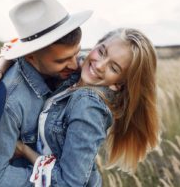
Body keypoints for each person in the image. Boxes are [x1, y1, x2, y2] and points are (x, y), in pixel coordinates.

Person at [14, 28, 159, 187]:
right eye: (102, 52)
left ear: (118, 84)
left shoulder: (88, 106)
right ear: (95, 46)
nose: (99, 66)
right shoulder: (78, 71)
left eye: (114, 68)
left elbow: (70, 184)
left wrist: (24, 151)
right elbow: (18, 49)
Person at [0, 0, 92, 187]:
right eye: (61, 61)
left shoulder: (81, 69)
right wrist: (50, 179)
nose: (75, 65)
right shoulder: (9, 103)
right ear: (30, 57)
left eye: (76, 53)